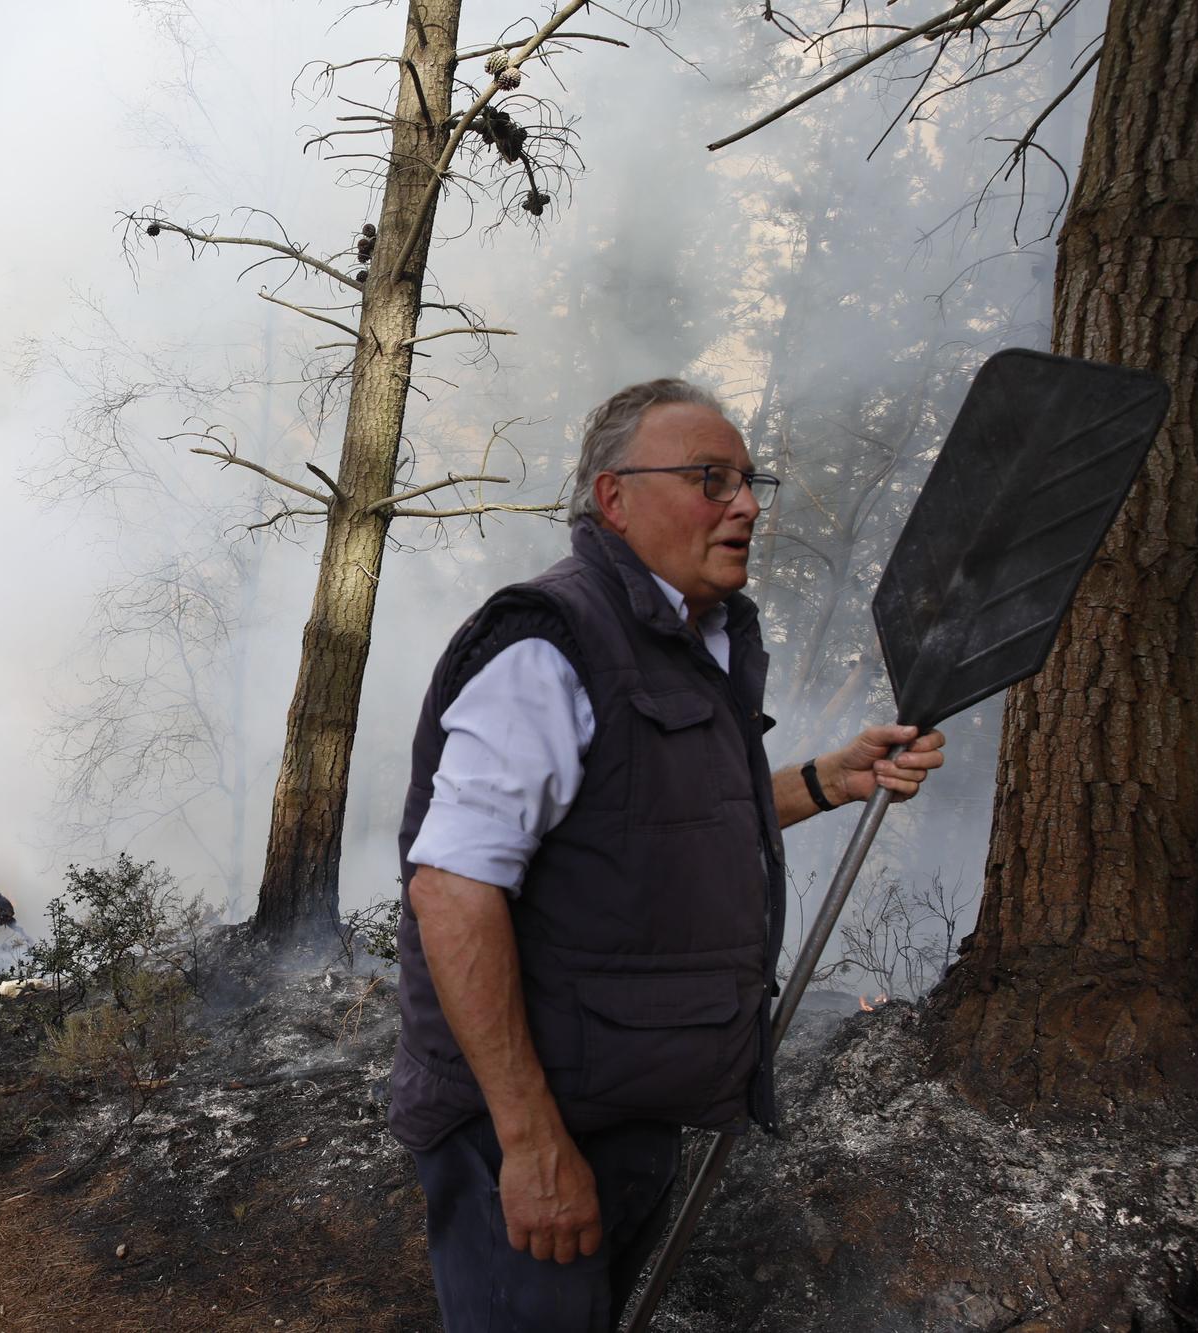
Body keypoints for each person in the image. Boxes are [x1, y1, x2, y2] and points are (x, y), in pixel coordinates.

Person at [388, 378, 946, 1331]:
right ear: (614, 497)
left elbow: (655, 823)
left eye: (748, 478)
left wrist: (829, 779)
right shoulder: (548, 646)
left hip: (626, 1111)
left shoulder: (688, 642)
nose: (747, 502)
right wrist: (530, 1143)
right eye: (709, 477)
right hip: (533, 1124)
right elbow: (452, 889)